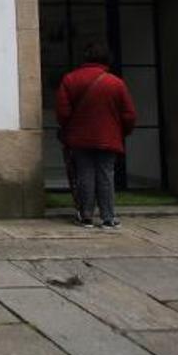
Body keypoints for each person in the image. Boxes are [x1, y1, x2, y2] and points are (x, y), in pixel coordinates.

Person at [56, 42, 137, 229]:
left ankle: (86, 216)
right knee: (106, 175)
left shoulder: (70, 80)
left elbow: (63, 112)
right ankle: (108, 217)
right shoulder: (116, 83)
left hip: (79, 137)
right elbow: (129, 114)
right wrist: (122, 132)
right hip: (108, 137)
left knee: (84, 175)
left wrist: (67, 128)